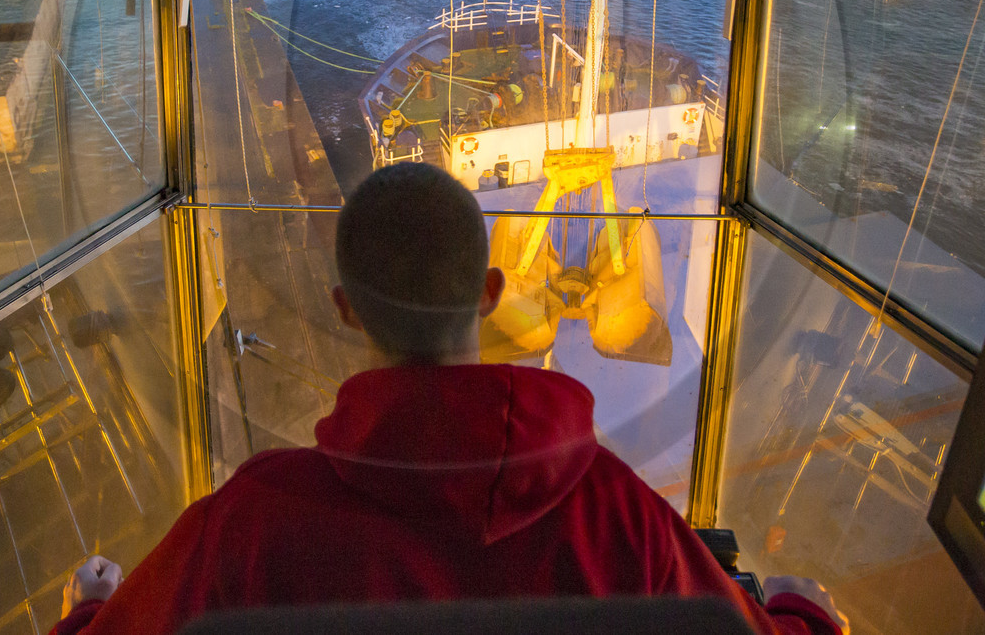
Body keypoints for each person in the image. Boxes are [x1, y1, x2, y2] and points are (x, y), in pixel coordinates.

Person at [51, 163, 843, 635]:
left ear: (344, 308)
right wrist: (803, 615)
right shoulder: (616, 513)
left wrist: (89, 609)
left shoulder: (250, 523)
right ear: (492, 292)